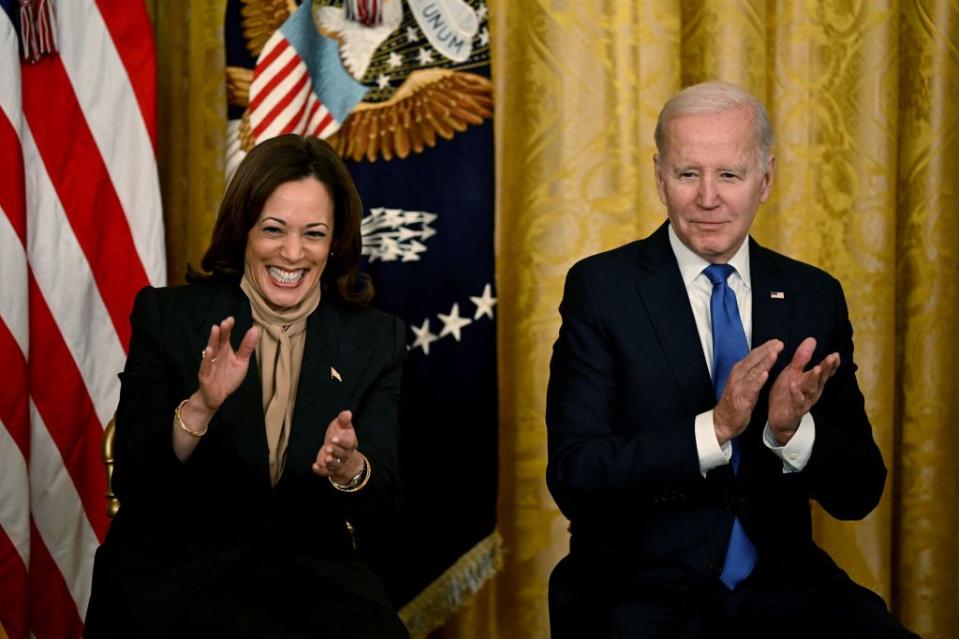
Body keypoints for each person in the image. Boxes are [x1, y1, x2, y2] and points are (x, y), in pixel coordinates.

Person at [545, 81, 916, 638]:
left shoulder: (813, 295)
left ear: (765, 179)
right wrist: (715, 428)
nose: (708, 198)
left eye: (730, 175)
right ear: (659, 177)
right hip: (638, 586)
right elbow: (574, 475)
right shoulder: (603, 290)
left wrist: (793, 432)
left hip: (784, 584)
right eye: (688, 174)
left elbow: (860, 492)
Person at [85, 134, 410, 638]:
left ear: (337, 239)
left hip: (315, 582)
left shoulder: (375, 339)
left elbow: (386, 501)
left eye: (315, 234)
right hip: (183, 576)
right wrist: (200, 407)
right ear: (244, 230)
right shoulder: (170, 317)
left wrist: (350, 468)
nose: (293, 253)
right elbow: (134, 478)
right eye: (274, 229)